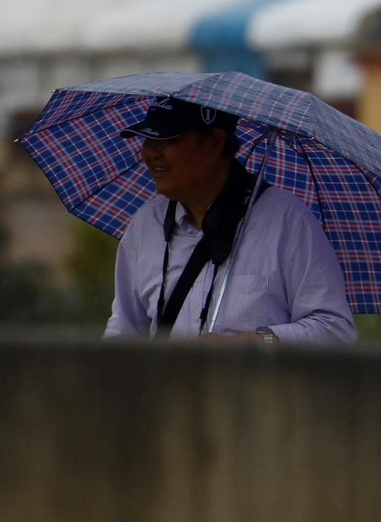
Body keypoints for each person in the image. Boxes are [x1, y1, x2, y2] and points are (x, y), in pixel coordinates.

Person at [104, 97, 356, 343]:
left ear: (214, 143)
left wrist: (254, 341)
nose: (150, 153)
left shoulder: (289, 222)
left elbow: (335, 331)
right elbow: (124, 336)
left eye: (169, 139)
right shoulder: (144, 226)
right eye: (148, 139)